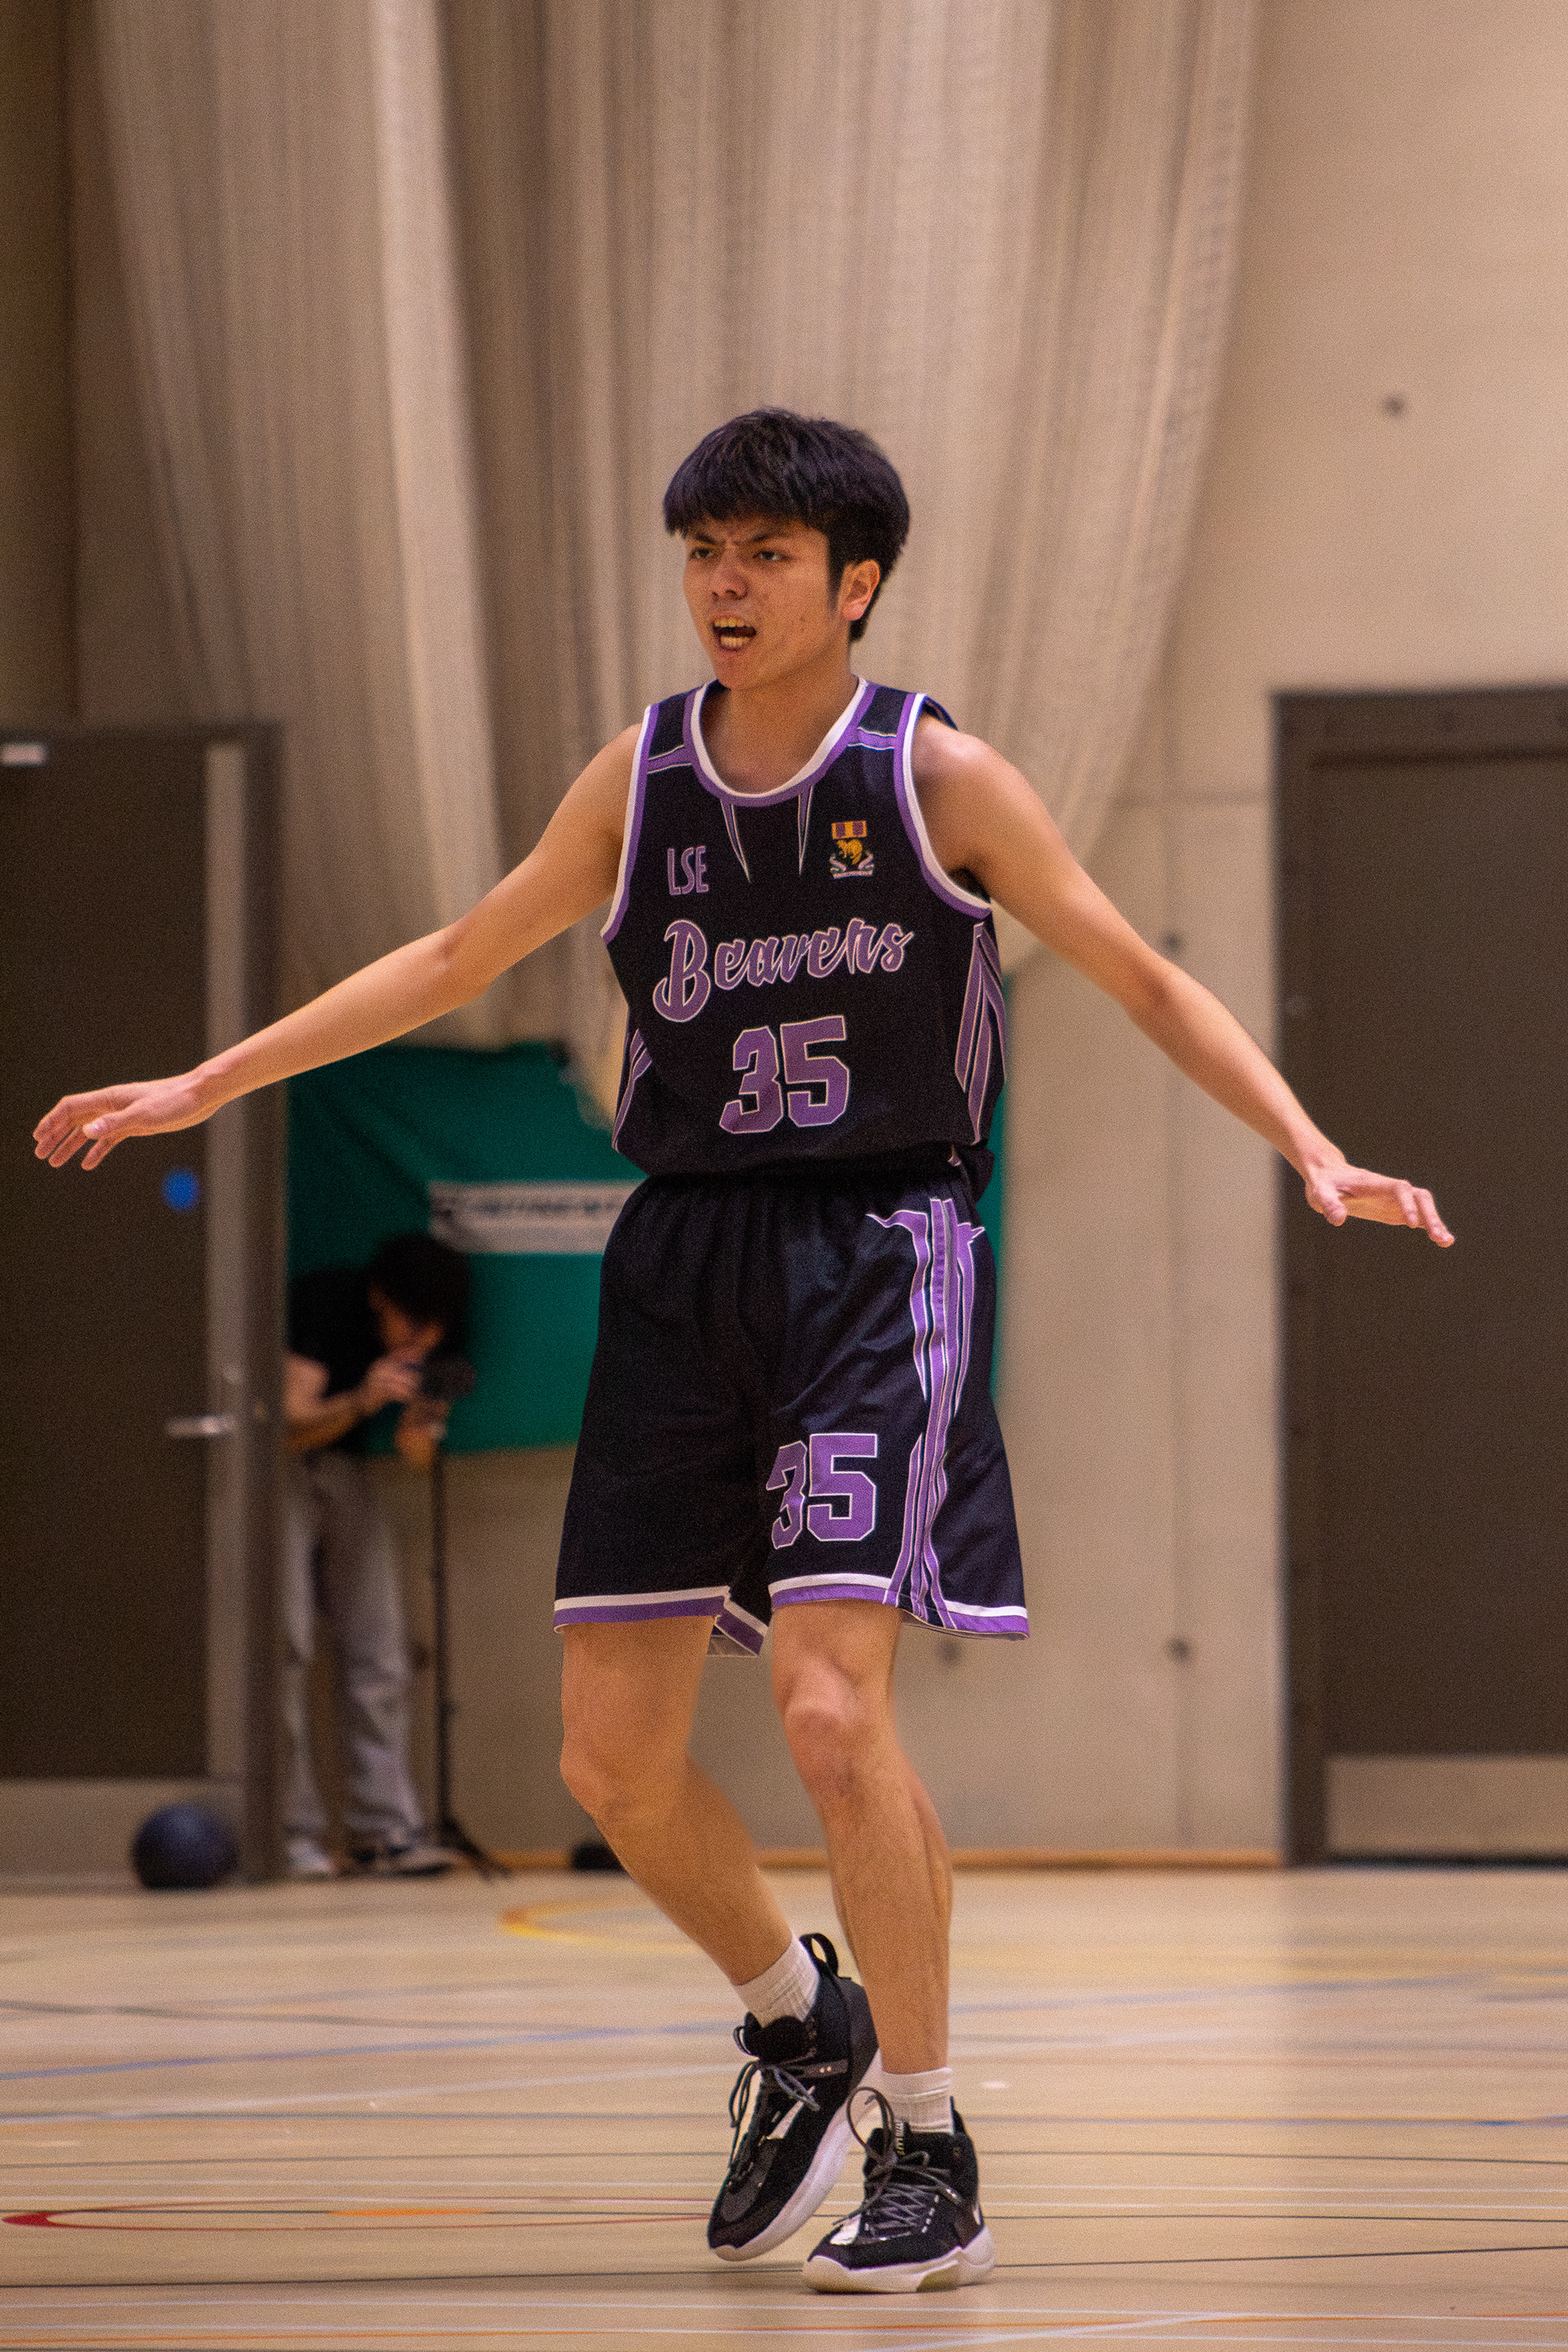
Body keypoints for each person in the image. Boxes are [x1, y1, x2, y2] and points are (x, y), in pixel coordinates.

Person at [33, 409, 1451, 2293]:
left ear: (854, 584)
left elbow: (1140, 971)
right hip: (683, 1256)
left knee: (829, 1710)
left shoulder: (934, 776)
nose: (724, 582)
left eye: (767, 553)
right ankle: (802, 2019)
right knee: (608, 1761)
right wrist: (205, 1084)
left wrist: (1309, 1143)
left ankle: (930, 2141)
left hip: (877, 1247)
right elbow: (456, 957)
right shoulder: (639, 781)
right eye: (704, 549)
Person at [282, 1229, 470, 1880]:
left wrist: (420, 1420)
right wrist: (364, 1396)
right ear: (378, 1298)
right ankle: (291, 1834)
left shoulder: (441, 1333)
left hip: (350, 1469)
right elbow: (289, 1425)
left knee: (380, 1650)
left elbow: (416, 1453)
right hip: (284, 1468)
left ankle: (384, 1831)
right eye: (407, 1327)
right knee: (285, 1647)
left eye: (431, 1334)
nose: (416, 1344)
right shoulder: (327, 1303)